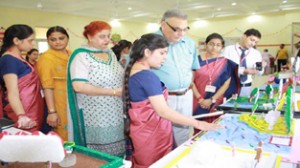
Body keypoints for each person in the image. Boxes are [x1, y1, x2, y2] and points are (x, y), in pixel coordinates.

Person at [123, 33, 221, 168]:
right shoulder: (147, 76)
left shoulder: (133, 69)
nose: (165, 57)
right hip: (153, 132)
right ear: (147, 52)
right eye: (162, 53)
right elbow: (163, 111)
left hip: (141, 129)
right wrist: (198, 124)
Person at [67, 21, 125, 157]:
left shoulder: (109, 53)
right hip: (95, 114)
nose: (107, 40)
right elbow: (79, 86)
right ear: (89, 36)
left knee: (117, 147)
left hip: (115, 110)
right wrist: (114, 92)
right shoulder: (81, 55)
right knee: (100, 153)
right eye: (102, 36)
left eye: (108, 36)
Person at [151, 9, 200, 145]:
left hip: (185, 95)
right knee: (160, 133)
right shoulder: (148, 42)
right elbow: (135, 71)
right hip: (161, 97)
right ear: (163, 25)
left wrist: (187, 84)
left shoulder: (189, 42)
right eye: (177, 29)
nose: (182, 34)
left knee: (183, 132)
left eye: (185, 29)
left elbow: (193, 67)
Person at [0, 24, 44, 131]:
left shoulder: (18, 58)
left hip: (32, 109)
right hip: (23, 112)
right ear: (16, 40)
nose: (33, 43)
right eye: (30, 40)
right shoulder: (9, 60)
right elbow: (13, 92)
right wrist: (21, 115)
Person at [192, 33, 237, 130]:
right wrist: (200, 99)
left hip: (216, 100)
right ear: (205, 44)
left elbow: (226, 84)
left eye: (218, 45)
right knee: (198, 125)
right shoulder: (195, 60)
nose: (214, 47)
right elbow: (190, 81)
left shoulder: (226, 63)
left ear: (222, 47)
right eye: (211, 44)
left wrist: (212, 99)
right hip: (197, 99)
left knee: (215, 125)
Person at [36, 26, 71, 140]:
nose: (57, 42)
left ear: (67, 38)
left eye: (61, 38)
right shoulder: (46, 58)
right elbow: (47, 86)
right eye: (53, 39)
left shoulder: (72, 54)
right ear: (48, 41)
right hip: (58, 103)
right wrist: (52, 112)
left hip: (74, 101)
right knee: (63, 133)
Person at [223, 28, 266, 97]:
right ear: (244, 36)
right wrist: (243, 71)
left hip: (246, 87)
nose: (253, 44)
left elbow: (259, 73)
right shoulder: (228, 50)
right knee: (228, 107)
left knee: (244, 106)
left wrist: (260, 66)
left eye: (256, 42)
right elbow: (223, 68)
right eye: (252, 40)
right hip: (229, 86)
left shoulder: (256, 53)